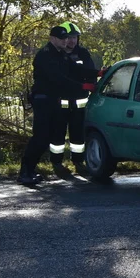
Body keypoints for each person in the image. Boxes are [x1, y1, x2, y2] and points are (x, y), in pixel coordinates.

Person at [18, 25, 75, 185]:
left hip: (52, 100)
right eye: (62, 38)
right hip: (43, 100)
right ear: (52, 38)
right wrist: (81, 86)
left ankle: (30, 170)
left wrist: (97, 73)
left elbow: (76, 70)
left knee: (47, 137)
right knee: (40, 137)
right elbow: (58, 78)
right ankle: (24, 172)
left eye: (66, 38)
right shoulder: (45, 55)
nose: (66, 41)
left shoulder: (60, 55)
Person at [53, 21, 99, 177]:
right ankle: (57, 163)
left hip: (79, 102)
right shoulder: (56, 54)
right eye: (69, 37)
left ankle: (78, 162)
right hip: (60, 103)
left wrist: (93, 81)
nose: (72, 41)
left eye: (75, 37)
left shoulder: (83, 53)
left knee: (78, 135)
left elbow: (89, 71)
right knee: (57, 135)